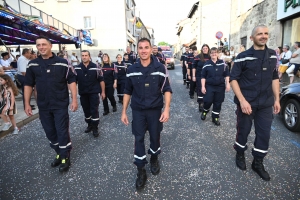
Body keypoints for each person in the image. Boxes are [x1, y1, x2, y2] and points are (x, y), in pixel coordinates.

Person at [230, 25, 280, 181]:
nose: (263, 36)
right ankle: (240, 153)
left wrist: (277, 99)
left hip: (265, 103)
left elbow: (274, 78)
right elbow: (233, 80)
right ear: (252, 38)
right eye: (259, 34)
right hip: (247, 103)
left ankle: (258, 162)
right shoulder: (243, 56)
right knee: (243, 131)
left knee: (264, 134)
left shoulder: (272, 55)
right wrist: (242, 100)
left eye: (265, 33)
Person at [121, 37, 172, 190]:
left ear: (151, 49)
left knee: (155, 136)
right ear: (138, 50)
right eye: (141, 48)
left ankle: (154, 158)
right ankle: (141, 169)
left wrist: (167, 108)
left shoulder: (160, 68)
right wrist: (124, 111)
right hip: (138, 111)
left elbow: (167, 89)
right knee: (138, 138)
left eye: (146, 47)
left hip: (155, 110)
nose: (143, 50)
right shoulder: (131, 70)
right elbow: (127, 91)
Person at [24, 36, 78, 173]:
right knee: (50, 132)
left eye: (44, 44)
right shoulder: (32, 65)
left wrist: (74, 100)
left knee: (61, 131)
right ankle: (58, 152)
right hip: (43, 105)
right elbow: (28, 84)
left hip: (60, 104)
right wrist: (27, 103)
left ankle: (65, 157)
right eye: (38, 45)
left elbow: (71, 81)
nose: (41, 47)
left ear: (50, 46)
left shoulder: (63, 63)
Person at [75, 50, 105, 137]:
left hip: (94, 93)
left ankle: (95, 127)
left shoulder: (96, 67)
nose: (84, 57)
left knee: (94, 110)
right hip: (83, 93)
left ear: (89, 56)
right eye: (83, 55)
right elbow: (73, 82)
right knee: (86, 110)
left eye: (86, 55)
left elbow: (101, 80)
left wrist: (103, 92)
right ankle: (89, 124)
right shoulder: (77, 68)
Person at [200, 47, 230, 125]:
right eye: (212, 53)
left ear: (217, 54)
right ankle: (205, 111)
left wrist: (228, 84)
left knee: (218, 102)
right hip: (210, 86)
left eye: (215, 52)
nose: (214, 54)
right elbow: (203, 76)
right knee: (208, 101)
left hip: (220, 86)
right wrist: (203, 86)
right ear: (210, 54)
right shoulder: (207, 64)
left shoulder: (223, 63)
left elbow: (226, 74)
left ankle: (215, 117)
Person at [193, 44, 210, 112]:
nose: (205, 49)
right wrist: (193, 76)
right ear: (202, 49)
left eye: (206, 48)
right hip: (199, 76)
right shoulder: (198, 57)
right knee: (200, 90)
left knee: (207, 90)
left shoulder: (210, 56)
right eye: (204, 48)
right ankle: (200, 104)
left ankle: (206, 103)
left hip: (209, 77)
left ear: (208, 49)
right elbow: (193, 67)